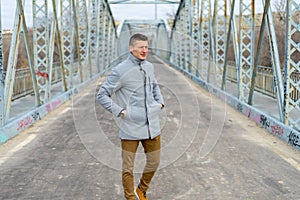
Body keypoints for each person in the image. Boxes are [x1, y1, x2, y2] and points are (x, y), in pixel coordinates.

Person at [96, 33, 164, 200]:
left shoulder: (149, 66)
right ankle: (131, 198)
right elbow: (102, 95)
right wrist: (120, 111)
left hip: (152, 125)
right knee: (128, 168)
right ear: (131, 48)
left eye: (146, 47)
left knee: (154, 162)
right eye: (141, 47)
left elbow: (155, 86)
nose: (144, 50)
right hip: (130, 128)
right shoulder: (120, 70)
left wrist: (160, 103)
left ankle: (141, 189)